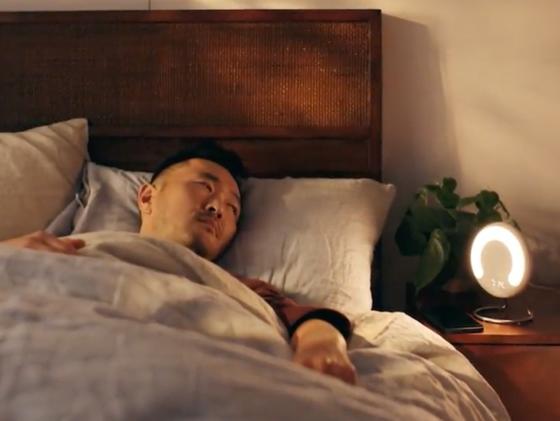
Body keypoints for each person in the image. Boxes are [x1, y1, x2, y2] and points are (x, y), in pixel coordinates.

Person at [1, 142, 356, 384]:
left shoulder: (241, 289)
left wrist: (321, 345)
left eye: (233, 208)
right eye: (204, 186)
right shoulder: (71, 249)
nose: (218, 208)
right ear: (146, 196)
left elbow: (313, 319)